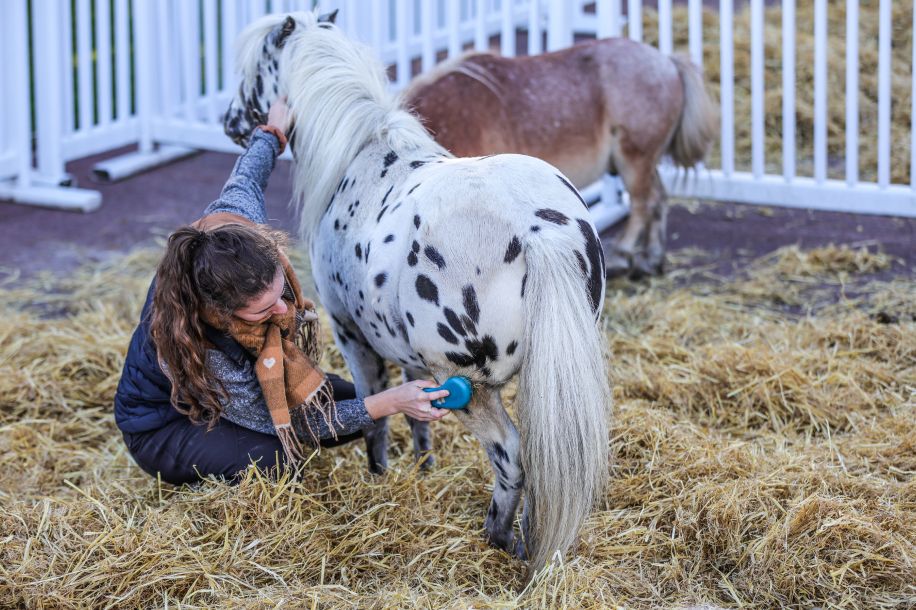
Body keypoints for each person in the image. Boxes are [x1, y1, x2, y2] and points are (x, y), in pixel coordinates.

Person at [114, 98, 449, 485]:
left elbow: (248, 176)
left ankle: (232, 435)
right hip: (163, 426)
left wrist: (274, 130)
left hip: (211, 395)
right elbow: (300, 424)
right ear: (220, 312)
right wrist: (391, 401)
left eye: (280, 293)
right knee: (275, 459)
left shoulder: (236, 229)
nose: (281, 310)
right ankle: (210, 463)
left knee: (348, 402)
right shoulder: (197, 347)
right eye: (262, 310)